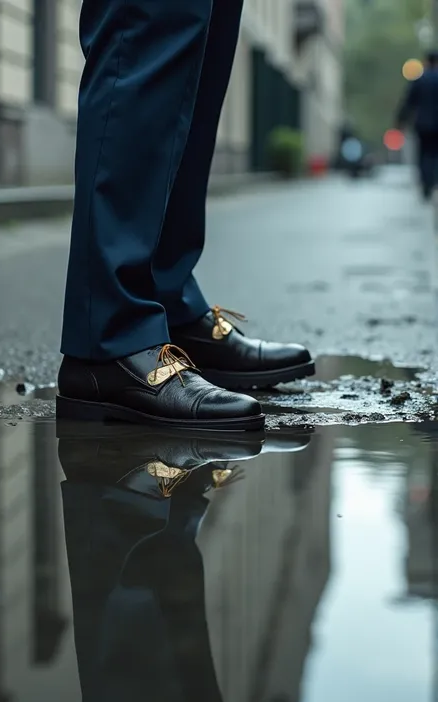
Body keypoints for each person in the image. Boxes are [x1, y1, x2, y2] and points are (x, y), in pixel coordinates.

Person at [57, 0, 314, 432]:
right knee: (150, 22)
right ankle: (110, 335)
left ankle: (168, 306)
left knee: (205, 38)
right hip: (107, 335)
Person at [397, 50, 438, 199]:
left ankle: (425, 182)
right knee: (435, 153)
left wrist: (400, 122)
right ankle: (433, 180)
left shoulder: (420, 80)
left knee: (423, 153)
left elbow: (408, 102)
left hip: (423, 123)